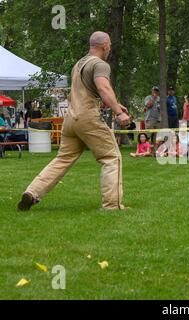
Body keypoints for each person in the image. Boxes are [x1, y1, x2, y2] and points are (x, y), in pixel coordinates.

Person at [18, 31, 130, 211]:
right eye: (109, 46)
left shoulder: (79, 64)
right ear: (105, 46)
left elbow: (84, 92)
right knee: (111, 157)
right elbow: (103, 87)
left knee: (62, 159)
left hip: (70, 120)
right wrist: (119, 112)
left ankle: (32, 192)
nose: (110, 49)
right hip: (87, 118)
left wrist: (116, 104)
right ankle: (112, 205)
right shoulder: (100, 64)